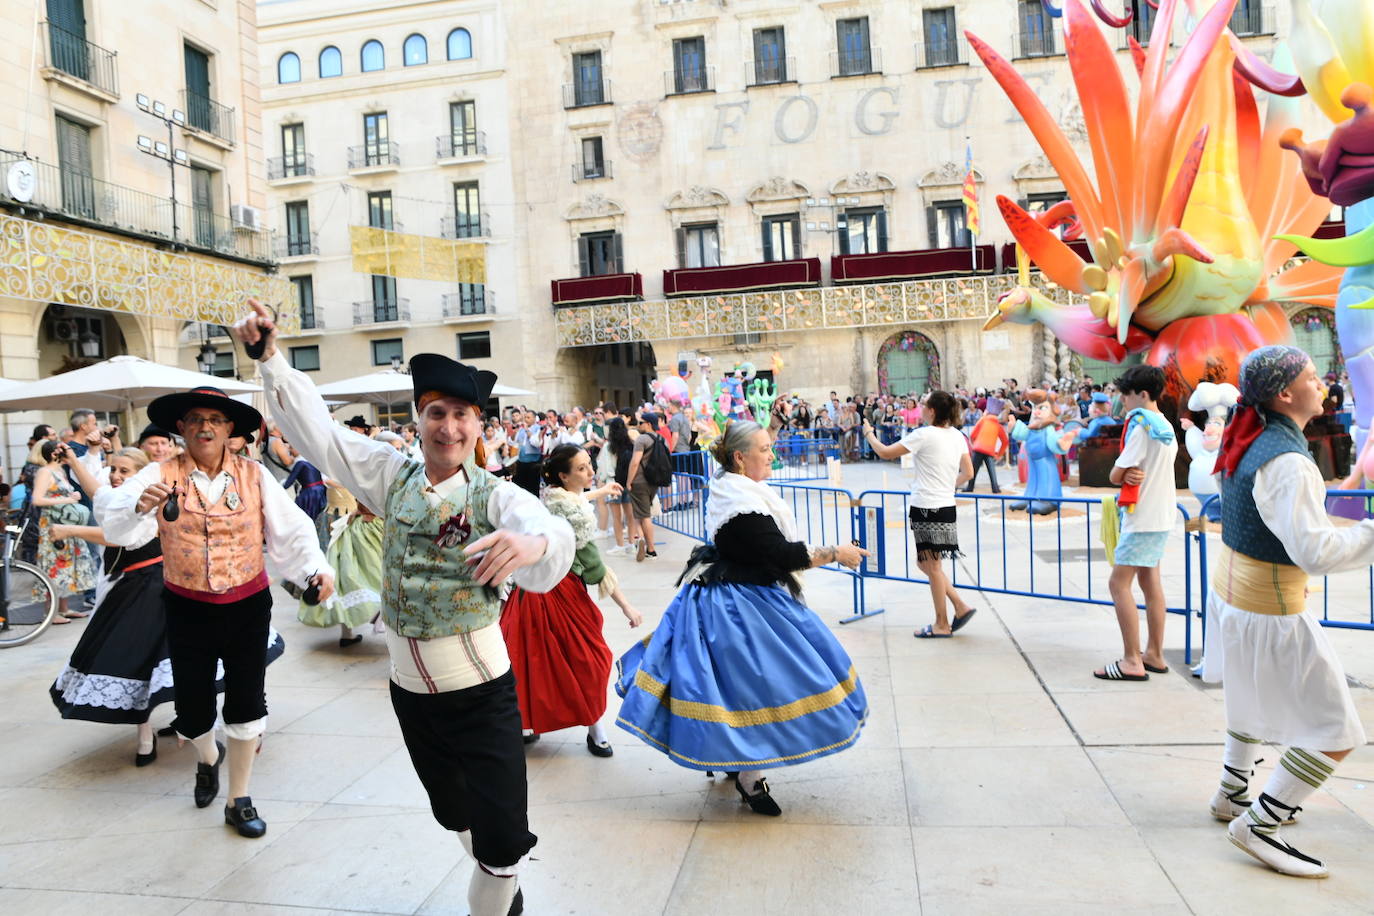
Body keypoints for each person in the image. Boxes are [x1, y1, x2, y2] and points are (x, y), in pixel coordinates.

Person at [237, 298, 573, 916]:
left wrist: (533, 543)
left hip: (480, 693)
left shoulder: (496, 496)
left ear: (482, 427)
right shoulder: (389, 474)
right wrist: (272, 363)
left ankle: (499, 885)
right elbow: (323, 435)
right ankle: (500, 888)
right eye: (436, 413)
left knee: (501, 847)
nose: (449, 428)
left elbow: (548, 533)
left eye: (463, 416)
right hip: (410, 696)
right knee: (457, 820)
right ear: (419, 419)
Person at [103, 385, 333, 840]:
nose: (205, 427)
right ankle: (208, 758)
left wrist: (314, 570)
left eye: (215, 419)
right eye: (195, 419)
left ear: (230, 430)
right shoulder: (158, 473)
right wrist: (136, 506)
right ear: (182, 429)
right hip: (187, 606)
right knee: (191, 711)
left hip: (247, 604)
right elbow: (115, 526)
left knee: (248, 701)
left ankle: (238, 798)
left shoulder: (254, 475)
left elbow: (291, 528)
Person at [615, 420, 869, 816]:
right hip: (738, 609)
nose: (771, 455)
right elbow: (783, 556)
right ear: (739, 457)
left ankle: (735, 760)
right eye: (764, 449)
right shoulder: (742, 504)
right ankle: (751, 777)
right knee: (763, 689)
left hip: (735, 598)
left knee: (734, 690)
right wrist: (837, 552)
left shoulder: (733, 488)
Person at [1202, 346, 1369, 878]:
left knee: (1246, 698)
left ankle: (1233, 792)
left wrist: (1343, 492)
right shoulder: (1288, 459)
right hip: (1270, 609)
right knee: (1335, 731)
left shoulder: (1249, 435)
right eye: (1312, 377)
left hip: (1235, 594)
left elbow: (1289, 515)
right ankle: (1259, 823)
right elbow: (1314, 551)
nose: (1322, 384)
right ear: (1284, 394)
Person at [502, 445, 641, 754]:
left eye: (588, 465)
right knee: (587, 661)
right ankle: (595, 729)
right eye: (581, 469)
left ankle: (529, 724)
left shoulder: (551, 497)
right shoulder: (573, 515)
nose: (590, 471)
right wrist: (626, 605)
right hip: (559, 593)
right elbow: (594, 566)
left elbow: (575, 499)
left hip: (530, 593)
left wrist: (600, 490)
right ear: (563, 476)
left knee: (529, 661)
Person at [48, 448, 168, 763]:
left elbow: (118, 537)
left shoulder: (148, 502)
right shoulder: (118, 499)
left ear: (140, 475)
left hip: (154, 588)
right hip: (127, 587)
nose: (115, 476)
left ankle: (194, 724)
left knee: (161, 660)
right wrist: (73, 461)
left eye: (124, 471)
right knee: (136, 663)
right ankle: (145, 734)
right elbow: (96, 492)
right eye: (113, 469)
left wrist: (70, 530)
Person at [864, 391, 977, 637]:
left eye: (924, 404)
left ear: (932, 411)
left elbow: (884, 452)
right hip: (945, 505)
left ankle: (941, 624)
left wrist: (869, 434)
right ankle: (959, 606)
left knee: (932, 566)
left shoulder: (923, 435)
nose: (921, 408)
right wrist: (947, 487)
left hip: (927, 507)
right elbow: (968, 473)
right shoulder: (957, 436)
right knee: (926, 563)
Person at [1094, 365, 1178, 682]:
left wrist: (1122, 474)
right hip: (1161, 514)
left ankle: (1132, 659)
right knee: (1150, 583)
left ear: (1142, 394)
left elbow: (1117, 472)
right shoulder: (1164, 424)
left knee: (1118, 584)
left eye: (1126, 395)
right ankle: (1154, 653)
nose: (1123, 402)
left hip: (1141, 517)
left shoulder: (1142, 425)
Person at [31, 440, 99, 623]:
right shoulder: (45, 471)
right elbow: (37, 499)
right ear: (55, 453)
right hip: (52, 524)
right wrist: (66, 500)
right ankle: (51, 613)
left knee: (66, 564)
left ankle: (63, 608)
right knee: (53, 565)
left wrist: (69, 499)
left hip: (64, 521)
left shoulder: (60, 471)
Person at [625, 412, 661, 561]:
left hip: (640, 481)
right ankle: (641, 538)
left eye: (641, 423)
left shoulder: (642, 439)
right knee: (641, 513)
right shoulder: (661, 439)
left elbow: (635, 462)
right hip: (654, 481)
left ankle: (650, 549)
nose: (639, 425)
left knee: (644, 515)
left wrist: (628, 481)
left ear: (648, 424)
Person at [604, 416, 635, 556]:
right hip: (628, 483)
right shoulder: (631, 444)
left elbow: (606, 468)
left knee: (617, 517)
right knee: (630, 515)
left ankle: (620, 545)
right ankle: (632, 544)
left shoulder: (608, 447)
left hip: (613, 484)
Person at [965, 408, 1008, 493]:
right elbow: (1005, 441)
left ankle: (970, 487)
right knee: (991, 470)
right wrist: (999, 454)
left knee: (973, 469)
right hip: (990, 450)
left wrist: (974, 444)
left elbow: (973, 435)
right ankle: (995, 488)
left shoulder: (982, 421)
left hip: (978, 448)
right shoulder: (998, 425)